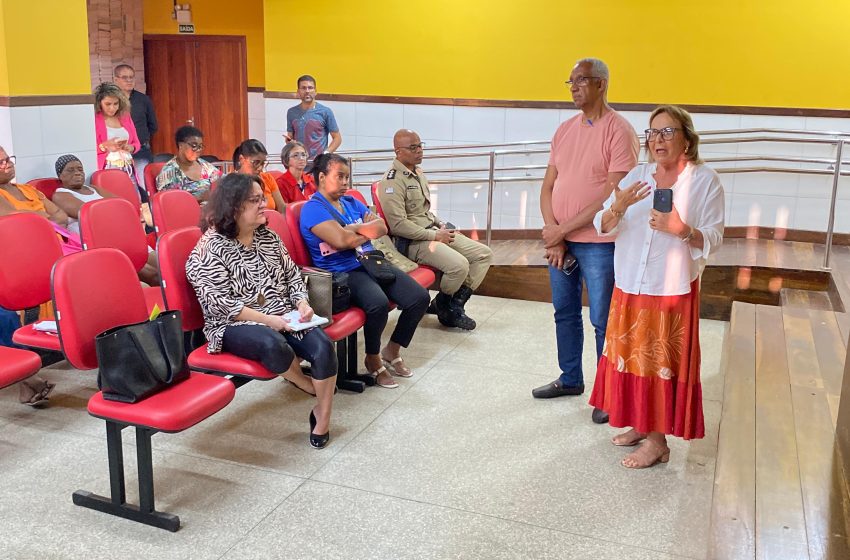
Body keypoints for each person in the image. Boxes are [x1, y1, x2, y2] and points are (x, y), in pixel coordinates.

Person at [589, 105, 724, 468]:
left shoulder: (704, 181)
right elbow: (604, 224)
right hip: (631, 282)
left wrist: (681, 229)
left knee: (659, 363)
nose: (658, 140)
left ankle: (657, 441)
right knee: (629, 358)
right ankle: (641, 423)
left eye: (667, 131)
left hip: (670, 289)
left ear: (686, 137)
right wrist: (616, 207)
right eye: (652, 132)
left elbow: (714, 237)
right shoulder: (638, 174)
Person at [186, 173, 337, 449]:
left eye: (262, 197)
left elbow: (292, 276)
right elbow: (222, 305)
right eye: (254, 200)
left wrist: (303, 303)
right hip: (233, 324)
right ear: (233, 207)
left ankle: (322, 416)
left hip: (282, 313)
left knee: (324, 346)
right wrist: (270, 321)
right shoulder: (209, 249)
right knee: (271, 343)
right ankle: (303, 382)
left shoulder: (268, 237)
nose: (264, 204)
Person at [531, 58, 639, 427]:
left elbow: (612, 197)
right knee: (564, 312)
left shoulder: (619, 131)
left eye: (582, 81)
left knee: (601, 319)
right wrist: (553, 232)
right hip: (560, 240)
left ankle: (607, 393)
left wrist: (562, 231)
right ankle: (571, 379)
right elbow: (547, 186)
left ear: (602, 84)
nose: (574, 87)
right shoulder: (564, 130)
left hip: (597, 242)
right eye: (570, 81)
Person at [300, 153, 429, 389]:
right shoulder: (313, 209)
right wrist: (359, 232)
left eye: (347, 177)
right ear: (321, 177)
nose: (345, 182)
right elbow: (339, 241)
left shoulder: (351, 202)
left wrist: (355, 228)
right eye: (339, 176)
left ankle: (392, 349)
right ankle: (373, 358)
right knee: (377, 303)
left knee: (419, 298)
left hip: (370, 261)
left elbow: (382, 226)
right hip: (343, 271)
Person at [377, 129, 493, 331]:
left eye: (421, 145)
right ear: (398, 152)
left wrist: (441, 225)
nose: (419, 151)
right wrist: (435, 235)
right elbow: (398, 226)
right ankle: (447, 307)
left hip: (431, 231)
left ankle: (447, 304)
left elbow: (424, 211)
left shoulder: (418, 172)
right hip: (413, 242)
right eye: (413, 147)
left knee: (483, 254)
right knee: (459, 266)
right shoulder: (392, 181)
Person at [52, 154, 160, 286]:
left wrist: (115, 213)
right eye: (71, 170)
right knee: (153, 276)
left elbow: (122, 204)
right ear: (60, 175)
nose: (77, 173)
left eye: (80, 169)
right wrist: (113, 212)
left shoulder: (93, 188)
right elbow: (90, 214)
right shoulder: (60, 195)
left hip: (121, 236)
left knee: (163, 266)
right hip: (100, 244)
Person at [113, 64, 158, 194]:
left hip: (141, 151)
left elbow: (153, 125)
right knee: (121, 187)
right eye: (125, 77)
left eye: (131, 77)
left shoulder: (143, 99)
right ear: (116, 79)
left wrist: (140, 140)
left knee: (144, 186)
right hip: (118, 153)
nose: (129, 80)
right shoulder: (111, 101)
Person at [94, 82, 142, 194]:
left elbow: (136, 143)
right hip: (107, 165)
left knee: (134, 198)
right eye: (108, 104)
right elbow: (88, 149)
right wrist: (104, 146)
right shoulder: (95, 120)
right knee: (113, 199)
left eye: (116, 104)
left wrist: (131, 148)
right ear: (99, 103)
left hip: (127, 165)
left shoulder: (125, 117)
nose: (112, 108)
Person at [285, 75, 341, 165]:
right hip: (298, 164)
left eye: (310, 88)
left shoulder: (325, 112)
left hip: (318, 165)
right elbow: (290, 137)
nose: (307, 91)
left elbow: (337, 138)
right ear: (298, 92)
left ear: (315, 91)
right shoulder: (291, 112)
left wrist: (325, 154)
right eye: (303, 88)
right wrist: (289, 142)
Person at [156, 125, 221, 202]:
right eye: (194, 146)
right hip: (189, 212)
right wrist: (199, 198)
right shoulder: (170, 172)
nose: (198, 150)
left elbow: (222, 180)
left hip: (213, 209)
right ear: (181, 145)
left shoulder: (203, 164)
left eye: (200, 146)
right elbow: (168, 203)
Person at [232, 139, 286, 213]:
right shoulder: (231, 183)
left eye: (263, 163)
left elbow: (282, 208)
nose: (260, 168)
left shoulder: (267, 178)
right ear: (242, 159)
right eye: (256, 162)